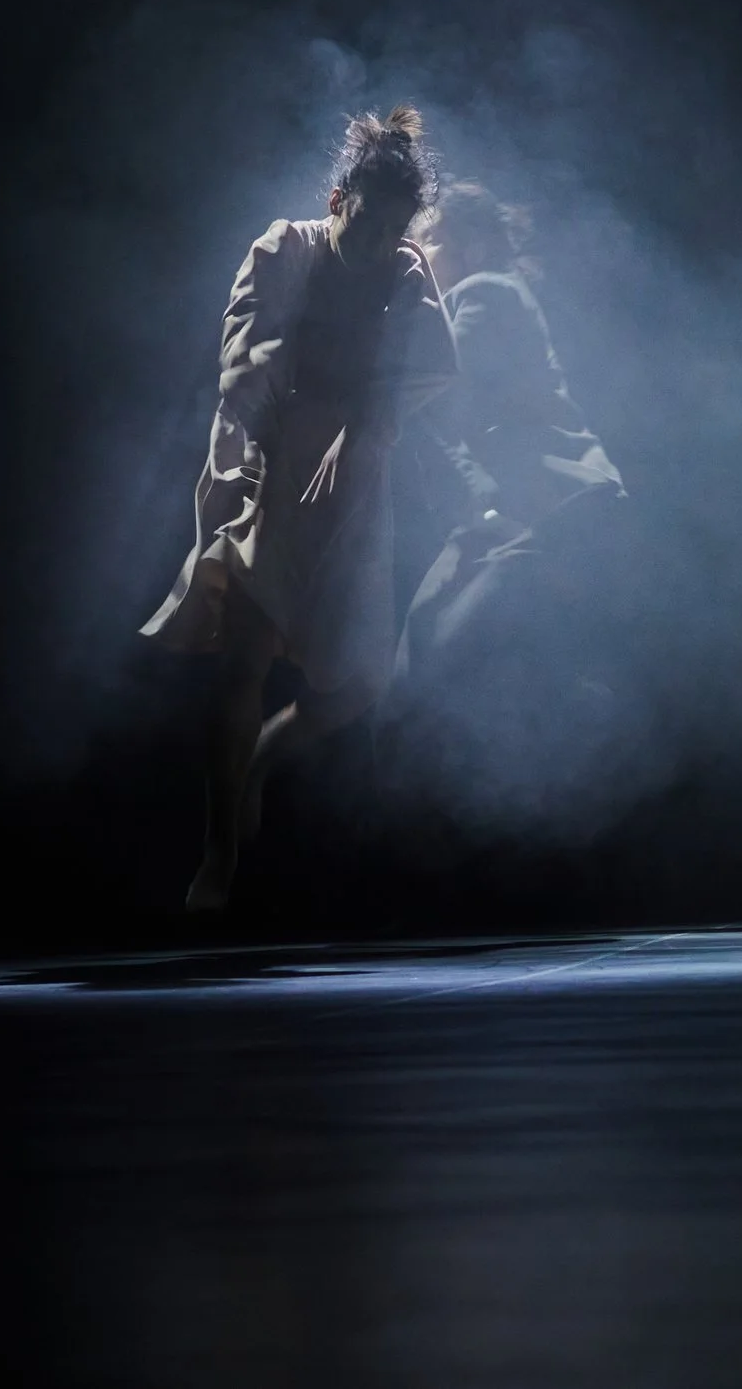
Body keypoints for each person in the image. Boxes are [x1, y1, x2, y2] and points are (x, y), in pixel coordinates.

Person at [140, 107, 458, 913]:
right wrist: (244, 455)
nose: (377, 237)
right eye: (366, 216)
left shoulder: (405, 273)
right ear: (337, 198)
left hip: (352, 476)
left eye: (395, 225)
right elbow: (249, 355)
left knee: (357, 683)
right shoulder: (286, 248)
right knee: (244, 657)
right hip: (275, 465)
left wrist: (363, 439)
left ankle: (267, 758)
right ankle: (218, 851)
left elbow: (415, 370)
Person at [384, 181, 629, 823]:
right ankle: (571, 706)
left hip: (561, 511)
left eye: (429, 240)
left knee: (446, 652)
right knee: (420, 649)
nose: (421, 253)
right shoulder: (473, 297)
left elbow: (435, 380)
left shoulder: (486, 292)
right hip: (501, 519)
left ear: (463, 245)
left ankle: (592, 715)